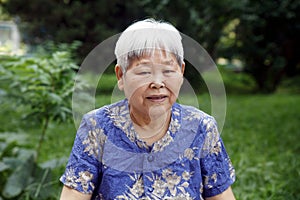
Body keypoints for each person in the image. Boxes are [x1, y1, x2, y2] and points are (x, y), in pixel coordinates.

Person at [60, 18, 236, 200]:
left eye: (168, 71)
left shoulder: (201, 127)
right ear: (121, 75)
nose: (157, 83)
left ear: (181, 73)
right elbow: (74, 193)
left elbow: (221, 195)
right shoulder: (96, 127)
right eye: (144, 72)